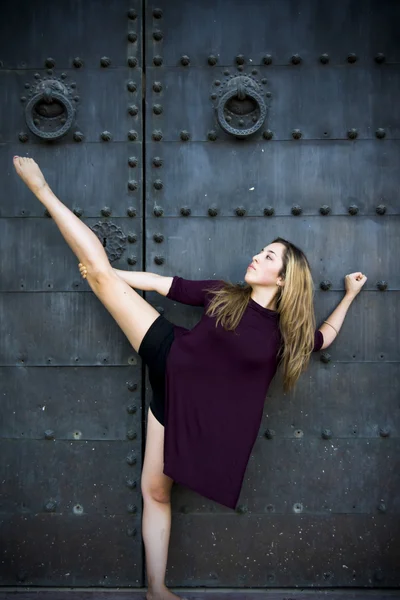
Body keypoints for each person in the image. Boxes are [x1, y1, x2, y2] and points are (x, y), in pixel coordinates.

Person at [13, 156, 367, 600]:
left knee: (156, 491)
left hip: (191, 408)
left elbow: (325, 337)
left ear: (284, 277)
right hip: (169, 355)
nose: (257, 256)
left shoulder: (284, 337)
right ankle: (42, 189)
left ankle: (156, 589)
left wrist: (350, 295)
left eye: (268, 255)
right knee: (100, 276)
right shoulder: (223, 293)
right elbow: (162, 284)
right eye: (261, 250)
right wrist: (112, 276)